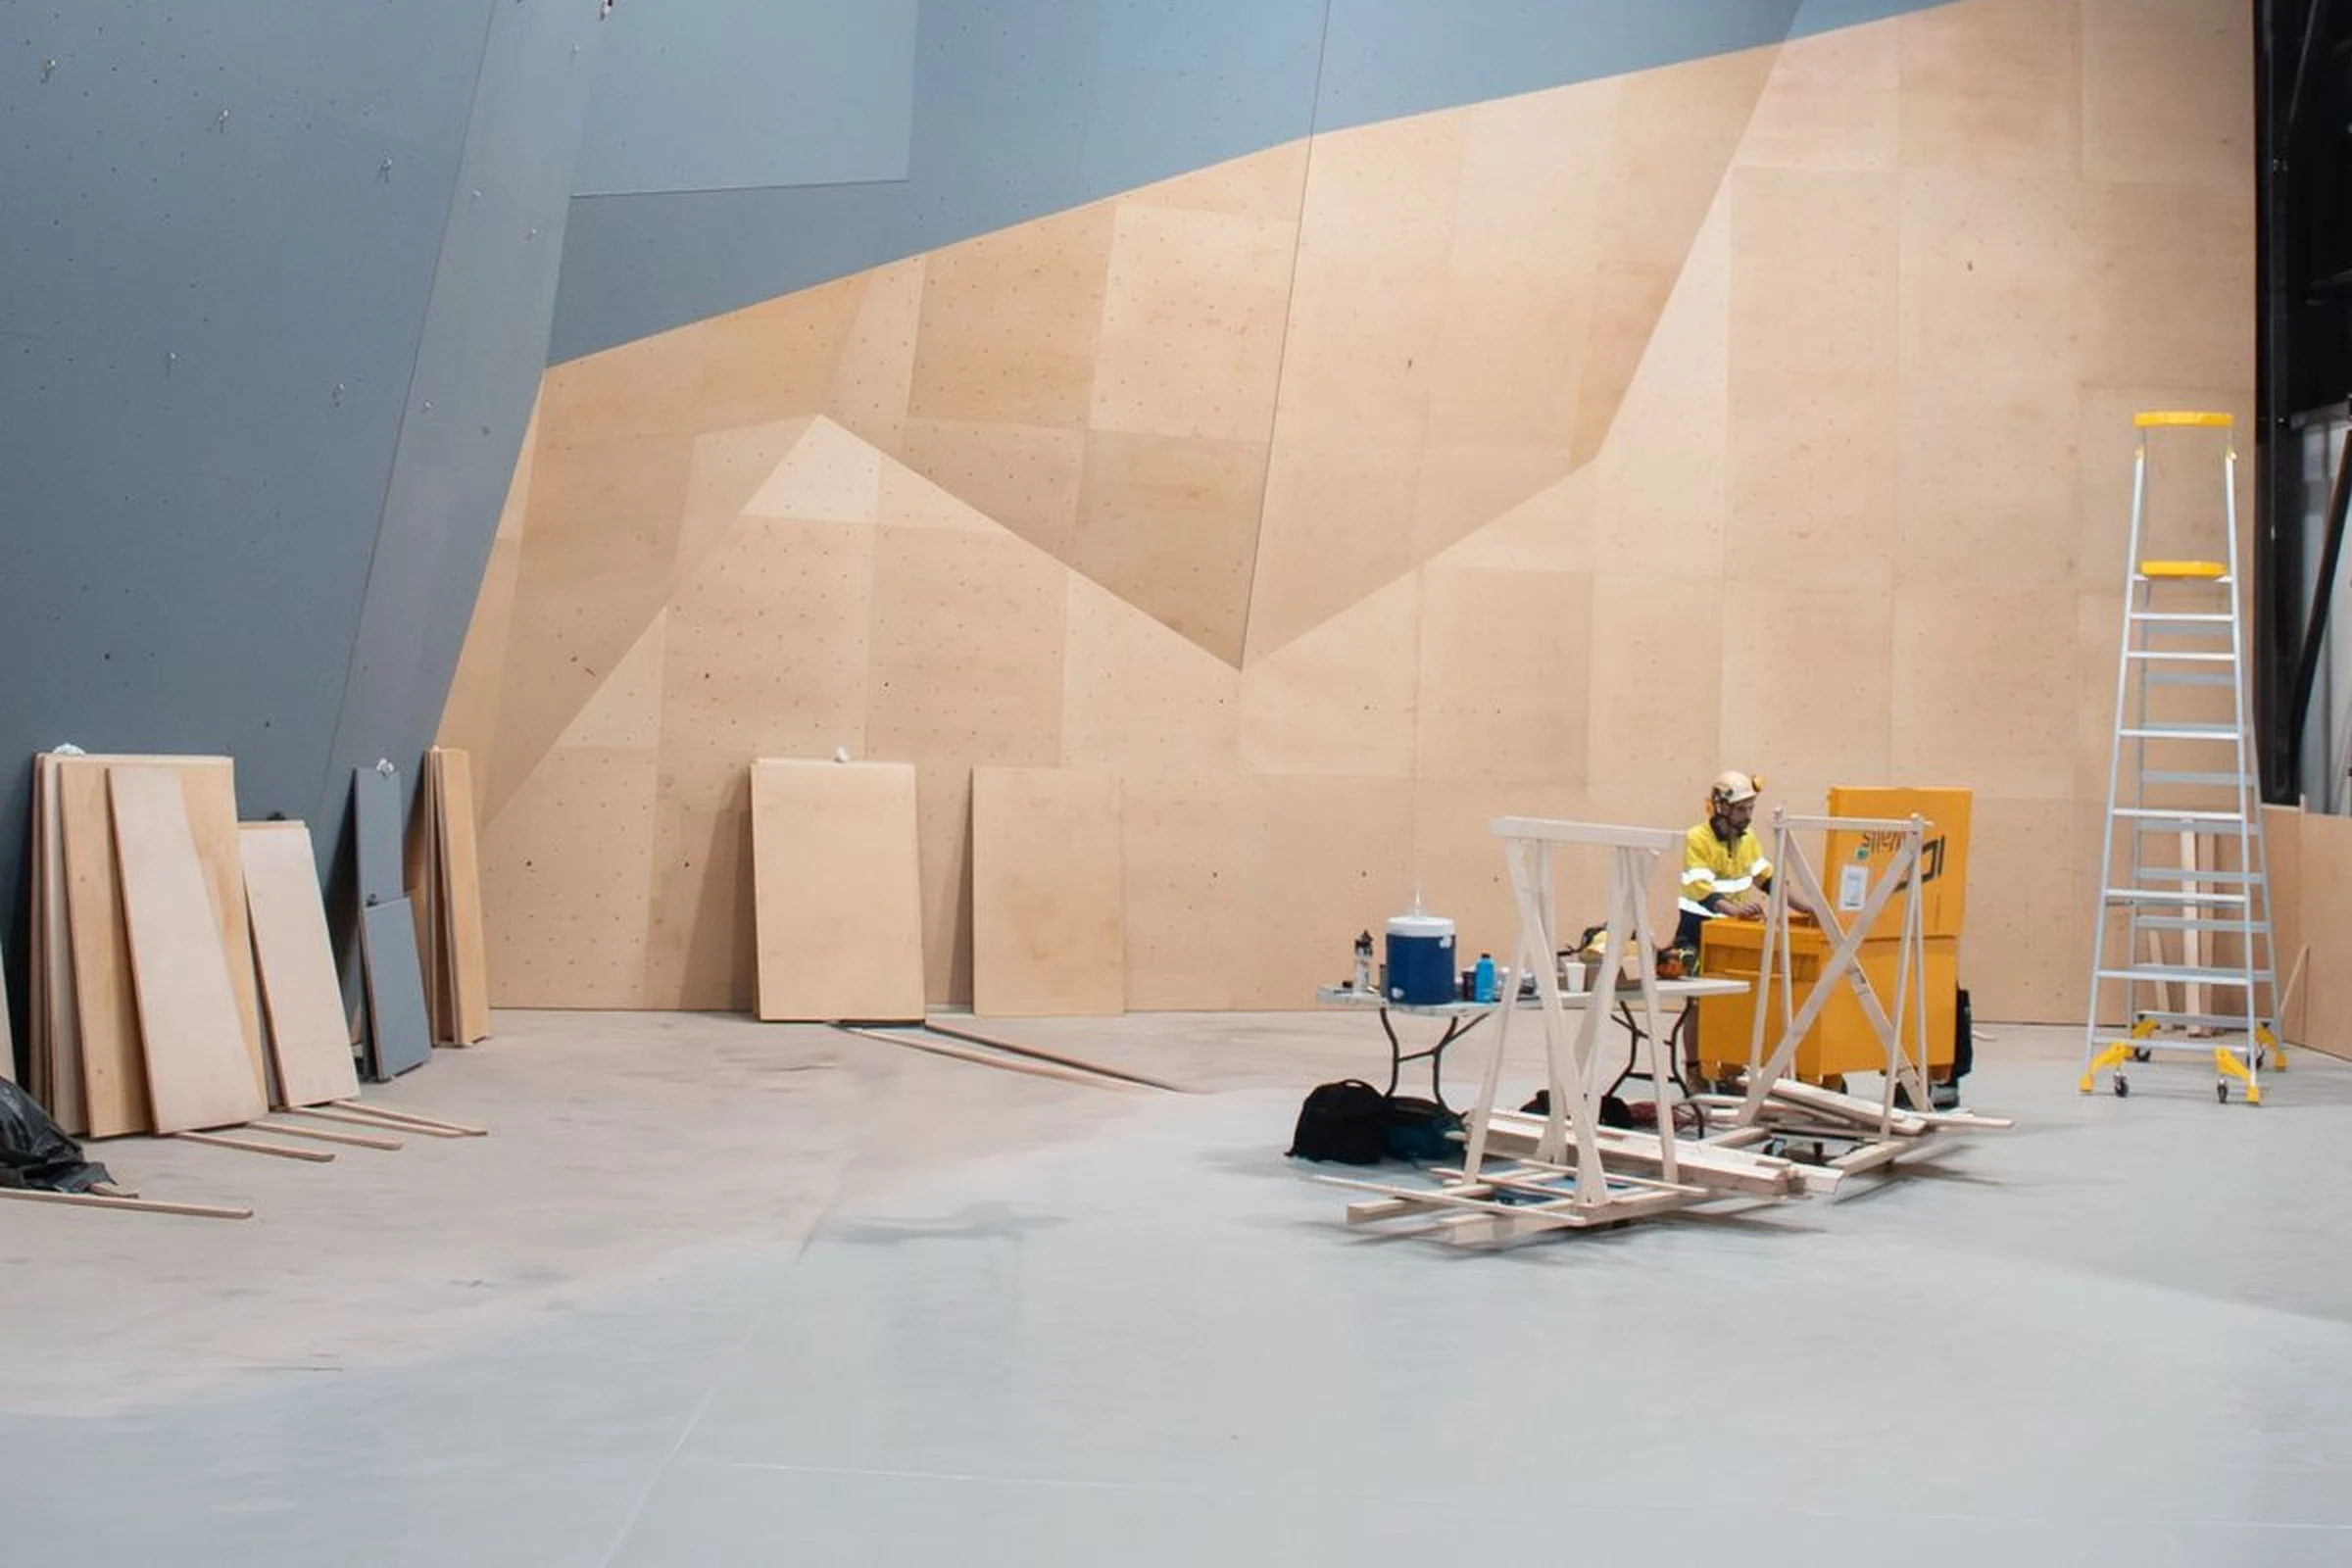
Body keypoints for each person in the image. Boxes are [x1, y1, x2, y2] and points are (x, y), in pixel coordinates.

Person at [1674, 769, 1782, 952]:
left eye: (1751, 808)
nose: (1748, 816)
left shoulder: (1748, 838)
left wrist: (1809, 907)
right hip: (1696, 930)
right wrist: (1736, 911)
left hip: (1731, 930)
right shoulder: (1697, 838)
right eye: (1741, 809)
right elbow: (1702, 891)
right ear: (1722, 807)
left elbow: (1767, 879)